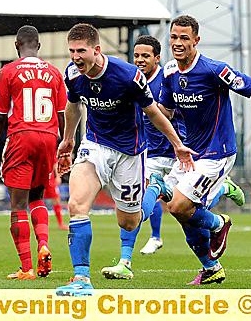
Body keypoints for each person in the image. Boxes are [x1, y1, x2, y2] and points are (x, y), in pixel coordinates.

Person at [54, 23, 196, 297]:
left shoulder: (128, 76)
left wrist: (177, 145)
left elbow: (154, 113)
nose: (75, 57)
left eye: (81, 51)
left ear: (96, 50)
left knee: (129, 223)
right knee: (77, 204)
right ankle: (81, 278)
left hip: (129, 153)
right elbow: (73, 104)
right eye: (71, 51)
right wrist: (68, 138)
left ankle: (154, 188)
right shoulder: (72, 74)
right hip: (94, 145)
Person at [100, 35, 246, 280]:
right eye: (136, 56)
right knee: (140, 201)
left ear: (157, 58)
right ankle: (125, 261)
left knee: (185, 215)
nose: (140, 60)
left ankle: (219, 201)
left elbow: (183, 114)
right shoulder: (131, 83)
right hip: (152, 157)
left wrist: (182, 143)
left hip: (181, 156)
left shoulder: (167, 80)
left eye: (145, 56)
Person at [153, 14, 251, 285]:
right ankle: (211, 267)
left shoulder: (214, 70)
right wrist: (141, 109)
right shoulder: (170, 72)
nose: (177, 42)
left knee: (179, 206)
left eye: (184, 38)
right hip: (191, 153)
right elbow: (166, 111)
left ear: (196, 40)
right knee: (180, 212)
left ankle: (220, 223)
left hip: (217, 152)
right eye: (174, 37)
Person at [0, 25, 67, 280]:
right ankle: (43, 243)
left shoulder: (8, 71)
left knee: (18, 204)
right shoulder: (54, 73)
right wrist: (63, 147)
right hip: (49, 138)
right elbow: (62, 115)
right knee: (37, 197)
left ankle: (27, 268)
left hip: (21, 136)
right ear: (39, 46)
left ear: (17, 45)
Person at [43, 159, 69, 230]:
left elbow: (55, 163)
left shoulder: (50, 149)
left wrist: (57, 176)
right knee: (36, 200)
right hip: (40, 178)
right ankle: (37, 224)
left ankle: (60, 224)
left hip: (49, 180)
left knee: (56, 200)